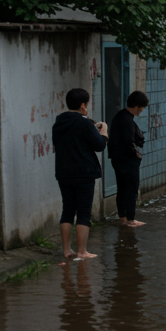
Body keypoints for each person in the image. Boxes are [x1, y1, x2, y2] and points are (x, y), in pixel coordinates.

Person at [52, 87, 108, 261]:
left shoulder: (59, 122)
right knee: (84, 212)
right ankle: (82, 251)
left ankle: (67, 250)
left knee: (67, 210)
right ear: (83, 105)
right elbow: (99, 145)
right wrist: (104, 130)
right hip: (84, 173)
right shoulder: (83, 122)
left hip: (63, 172)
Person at [109, 90, 149, 227]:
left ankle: (123, 217)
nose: (141, 111)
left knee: (122, 189)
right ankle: (131, 219)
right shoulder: (126, 120)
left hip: (118, 160)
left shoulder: (120, 117)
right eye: (141, 108)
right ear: (138, 106)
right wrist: (136, 156)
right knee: (132, 189)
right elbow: (129, 143)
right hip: (127, 161)